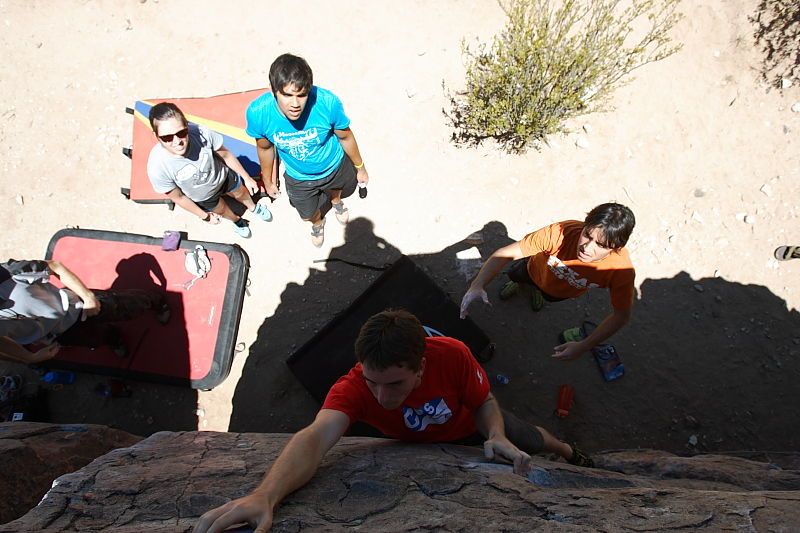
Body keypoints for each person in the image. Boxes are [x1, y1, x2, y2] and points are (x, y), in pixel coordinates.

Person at [194, 310, 591, 533]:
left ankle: (569, 451)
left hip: (475, 430)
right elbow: (315, 437)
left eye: (395, 383)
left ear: (421, 365)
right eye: (373, 382)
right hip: (422, 444)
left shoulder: (451, 354)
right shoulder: (353, 387)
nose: (382, 397)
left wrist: (498, 434)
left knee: (534, 440)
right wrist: (266, 495)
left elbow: (484, 399)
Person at [460, 203, 636, 361]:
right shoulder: (559, 232)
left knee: (547, 295)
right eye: (587, 235)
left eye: (601, 245)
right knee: (517, 275)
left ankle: (536, 291)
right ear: (584, 225)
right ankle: (522, 285)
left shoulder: (620, 271)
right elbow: (505, 254)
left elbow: (621, 316)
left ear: (616, 249)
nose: (587, 248)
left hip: (559, 293)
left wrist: (583, 345)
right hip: (531, 270)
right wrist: (477, 284)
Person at [245, 53, 370, 247]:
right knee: (307, 214)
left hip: (333, 165)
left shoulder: (327, 103)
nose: (295, 104)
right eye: (287, 95)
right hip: (299, 177)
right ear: (273, 91)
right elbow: (265, 147)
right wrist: (268, 181)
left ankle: (336, 203)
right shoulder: (258, 113)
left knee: (336, 191)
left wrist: (360, 167)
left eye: (301, 95)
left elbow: (345, 136)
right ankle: (318, 224)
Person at [0, 259, 169, 364]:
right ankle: (114, 338)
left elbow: (55, 266)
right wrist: (29, 357)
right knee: (95, 339)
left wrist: (88, 297)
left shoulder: (8, 273)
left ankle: (157, 302)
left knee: (128, 305)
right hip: (57, 335)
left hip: (76, 306)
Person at [147, 102, 272, 239]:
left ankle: (253, 207)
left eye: (181, 133)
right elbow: (178, 197)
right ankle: (237, 221)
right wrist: (205, 216)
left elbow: (225, 154)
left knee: (241, 193)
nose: (177, 141)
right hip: (204, 197)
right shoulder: (157, 167)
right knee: (223, 210)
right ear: (156, 136)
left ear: (187, 126)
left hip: (223, 177)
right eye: (167, 137)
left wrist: (246, 178)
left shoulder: (202, 134)